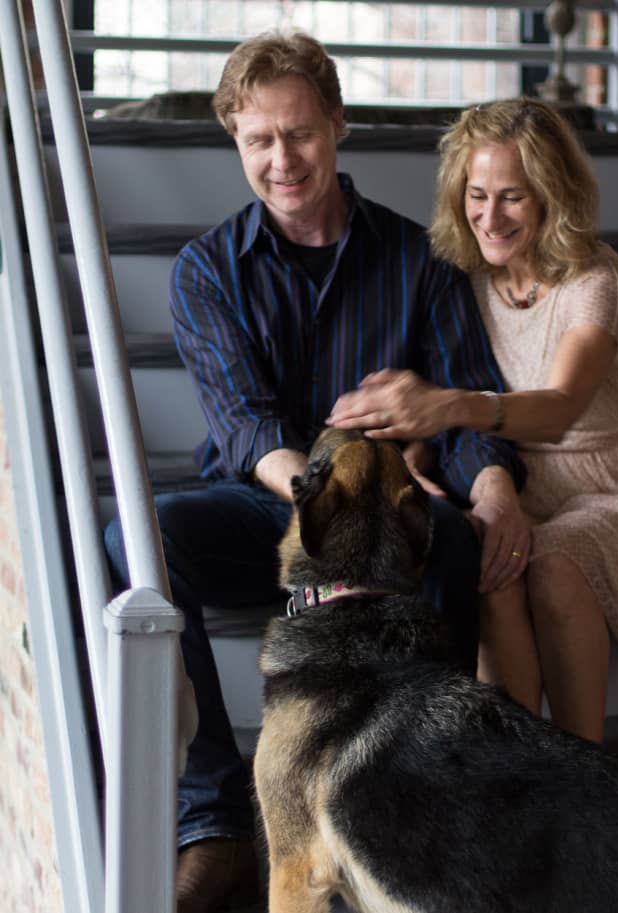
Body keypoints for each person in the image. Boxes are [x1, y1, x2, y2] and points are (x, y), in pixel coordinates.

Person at [104, 33, 528, 913]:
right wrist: (334, 487)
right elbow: (247, 427)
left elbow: (465, 405)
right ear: (234, 140)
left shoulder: (423, 259)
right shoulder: (205, 271)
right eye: (258, 140)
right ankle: (214, 820)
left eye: (298, 133)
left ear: (336, 125)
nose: (281, 159)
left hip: (387, 523)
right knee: (134, 541)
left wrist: (496, 488)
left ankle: (418, 799)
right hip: (266, 502)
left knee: (453, 535)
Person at [329, 96, 618, 746]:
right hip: (509, 478)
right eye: (477, 194)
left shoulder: (595, 280)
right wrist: (420, 456)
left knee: (548, 559)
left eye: (513, 197)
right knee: (491, 563)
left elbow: (558, 408)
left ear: (552, 196)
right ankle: (520, 780)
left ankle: (585, 770)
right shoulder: (464, 279)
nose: (488, 216)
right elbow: (445, 415)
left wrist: (449, 404)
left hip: (609, 493)